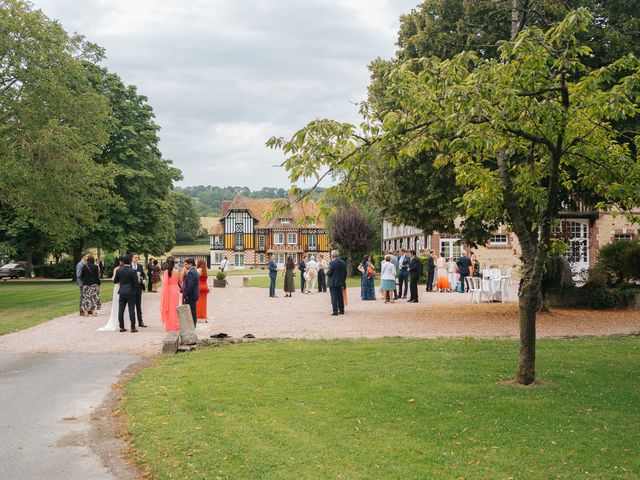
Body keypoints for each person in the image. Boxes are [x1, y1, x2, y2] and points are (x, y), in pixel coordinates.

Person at [113, 254, 140, 332]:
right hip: (131, 292)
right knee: (131, 309)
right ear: (130, 261)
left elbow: (115, 281)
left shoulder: (119, 270)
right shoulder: (132, 271)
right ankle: (132, 327)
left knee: (121, 309)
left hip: (122, 291)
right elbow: (136, 283)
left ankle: (121, 327)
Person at [98, 257, 124, 331]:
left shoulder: (124, 268)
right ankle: (116, 320)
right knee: (117, 304)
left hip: (123, 287)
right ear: (119, 262)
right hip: (118, 287)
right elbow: (115, 280)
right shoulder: (116, 269)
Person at [159, 256, 180, 332]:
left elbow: (164, 283)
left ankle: (170, 326)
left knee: (169, 308)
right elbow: (180, 280)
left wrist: (162, 278)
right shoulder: (177, 271)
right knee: (175, 307)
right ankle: (175, 324)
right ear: (174, 264)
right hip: (175, 290)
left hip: (168, 291)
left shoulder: (166, 272)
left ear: (167, 263)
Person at [327, 249, 347, 315]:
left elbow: (329, 273)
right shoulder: (343, 262)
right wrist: (343, 280)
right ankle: (341, 310)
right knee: (340, 296)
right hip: (340, 282)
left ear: (332, 256)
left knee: (334, 297)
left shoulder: (332, 263)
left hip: (333, 282)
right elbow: (345, 273)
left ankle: (335, 311)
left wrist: (326, 272)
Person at [182, 258, 200, 327]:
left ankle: (192, 324)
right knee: (192, 309)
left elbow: (190, 285)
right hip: (194, 294)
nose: (185, 266)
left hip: (191, 295)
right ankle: (193, 323)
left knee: (191, 310)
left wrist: (186, 294)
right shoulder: (194, 271)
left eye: (186, 264)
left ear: (190, 264)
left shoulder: (191, 272)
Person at [130, 253, 147, 327]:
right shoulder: (128, 266)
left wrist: (144, 279)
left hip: (138, 288)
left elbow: (143, 275)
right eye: (135, 258)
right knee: (131, 306)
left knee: (138, 305)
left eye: (138, 258)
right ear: (132, 258)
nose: (137, 259)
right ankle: (132, 323)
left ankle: (140, 321)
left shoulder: (139, 266)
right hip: (131, 288)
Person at [76, 252, 88, 316]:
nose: (87, 257)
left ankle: (86, 310)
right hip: (81, 282)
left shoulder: (85, 263)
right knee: (82, 296)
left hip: (85, 282)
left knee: (85, 296)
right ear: (83, 257)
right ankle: (81, 311)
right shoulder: (80, 264)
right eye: (86, 256)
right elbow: (78, 274)